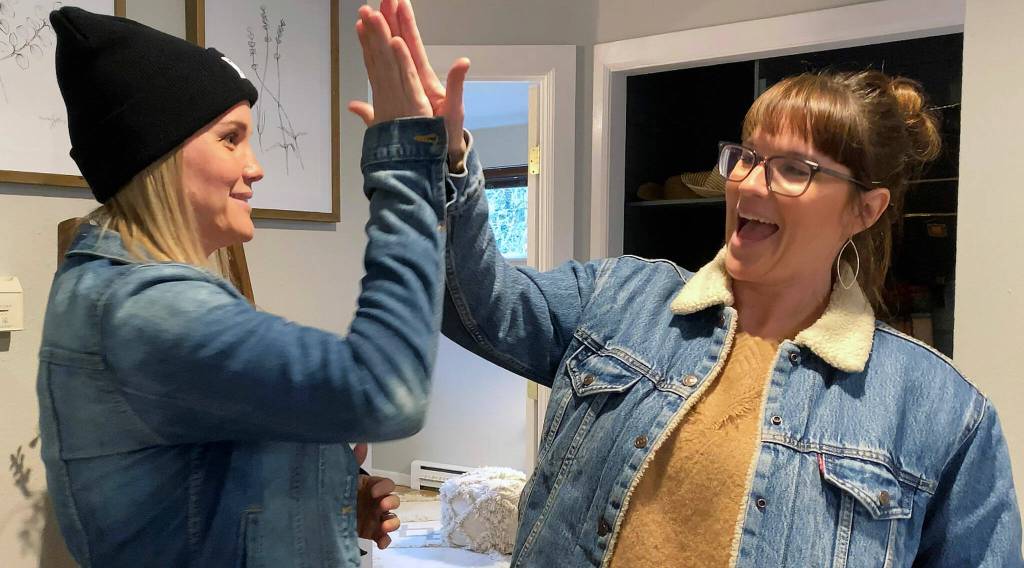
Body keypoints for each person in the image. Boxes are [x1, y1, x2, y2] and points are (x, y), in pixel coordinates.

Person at [351, 1, 1024, 566]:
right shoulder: (621, 299)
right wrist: (428, 162)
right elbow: (470, 305)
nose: (750, 183)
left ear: (864, 209)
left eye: (794, 169)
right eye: (748, 156)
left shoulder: (941, 414)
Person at [37, 7, 453, 567]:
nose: (255, 168)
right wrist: (405, 164)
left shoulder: (127, 295)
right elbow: (386, 392)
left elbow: (207, 476)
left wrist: (325, 498)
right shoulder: (148, 310)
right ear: (158, 156)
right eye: (230, 139)